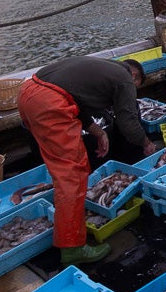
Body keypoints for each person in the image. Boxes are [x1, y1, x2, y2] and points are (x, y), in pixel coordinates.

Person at [18, 56, 156, 266]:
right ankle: (73, 248)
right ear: (134, 76)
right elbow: (128, 123)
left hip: (28, 92)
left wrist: (97, 131)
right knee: (72, 174)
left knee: (61, 168)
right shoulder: (124, 80)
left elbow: (76, 101)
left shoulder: (101, 68)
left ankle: (66, 221)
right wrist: (146, 143)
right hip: (49, 103)